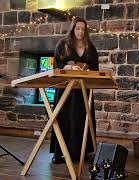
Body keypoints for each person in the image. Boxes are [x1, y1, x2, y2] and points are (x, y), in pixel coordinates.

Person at [50, 16, 99, 164]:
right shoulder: (63, 44)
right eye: (78, 28)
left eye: (83, 29)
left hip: (83, 89)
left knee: (83, 120)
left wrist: (86, 68)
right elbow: (57, 66)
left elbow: (95, 68)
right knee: (63, 119)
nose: (80, 32)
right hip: (66, 89)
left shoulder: (90, 47)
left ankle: (82, 151)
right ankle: (59, 153)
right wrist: (70, 66)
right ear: (72, 29)